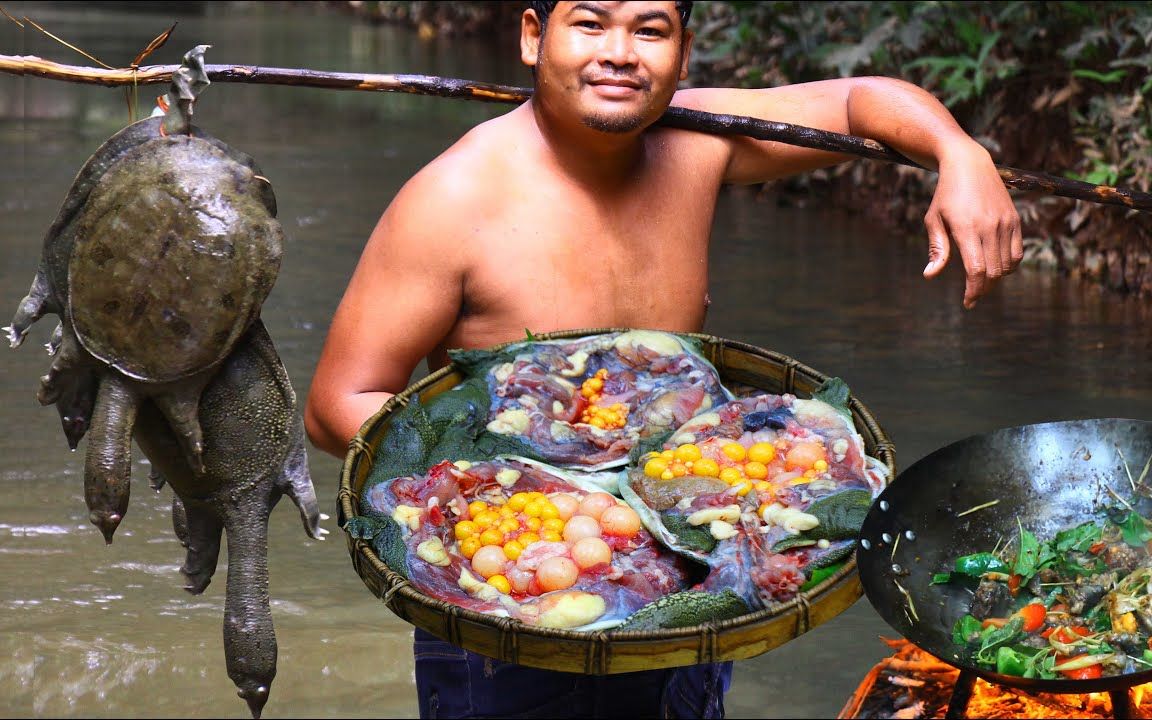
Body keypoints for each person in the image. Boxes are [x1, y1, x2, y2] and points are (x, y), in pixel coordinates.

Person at [305, 1, 1022, 717]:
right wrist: (533, 496)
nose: (619, 51)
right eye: (589, 23)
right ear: (532, 36)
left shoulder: (697, 141)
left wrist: (960, 154)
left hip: (688, 589)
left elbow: (863, 100)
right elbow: (341, 402)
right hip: (514, 606)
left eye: (649, 30)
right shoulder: (452, 198)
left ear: (682, 54)